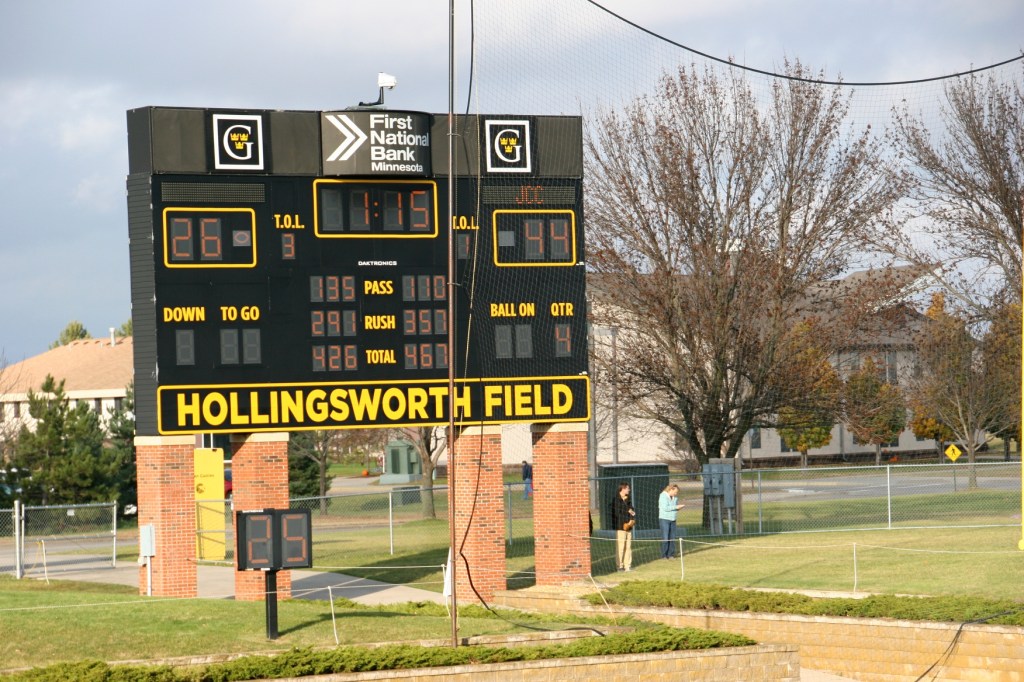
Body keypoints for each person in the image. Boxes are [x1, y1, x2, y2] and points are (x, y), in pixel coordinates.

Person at [610, 482, 636, 571]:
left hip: (629, 526)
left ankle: (627, 565)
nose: (629, 490)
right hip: (620, 526)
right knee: (621, 547)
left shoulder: (628, 499)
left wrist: (631, 520)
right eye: (628, 488)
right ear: (623, 489)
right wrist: (627, 514)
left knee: (628, 546)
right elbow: (617, 514)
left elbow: (632, 510)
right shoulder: (616, 500)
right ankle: (620, 566)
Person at [658, 484, 684, 559]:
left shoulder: (675, 498)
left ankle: (671, 554)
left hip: (673, 519)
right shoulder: (663, 496)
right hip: (664, 519)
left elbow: (673, 508)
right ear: (671, 489)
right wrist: (676, 507)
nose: (676, 494)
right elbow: (665, 508)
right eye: (675, 492)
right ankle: (664, 555)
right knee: (665, 538)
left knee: (672, 537)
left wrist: (678, 508)